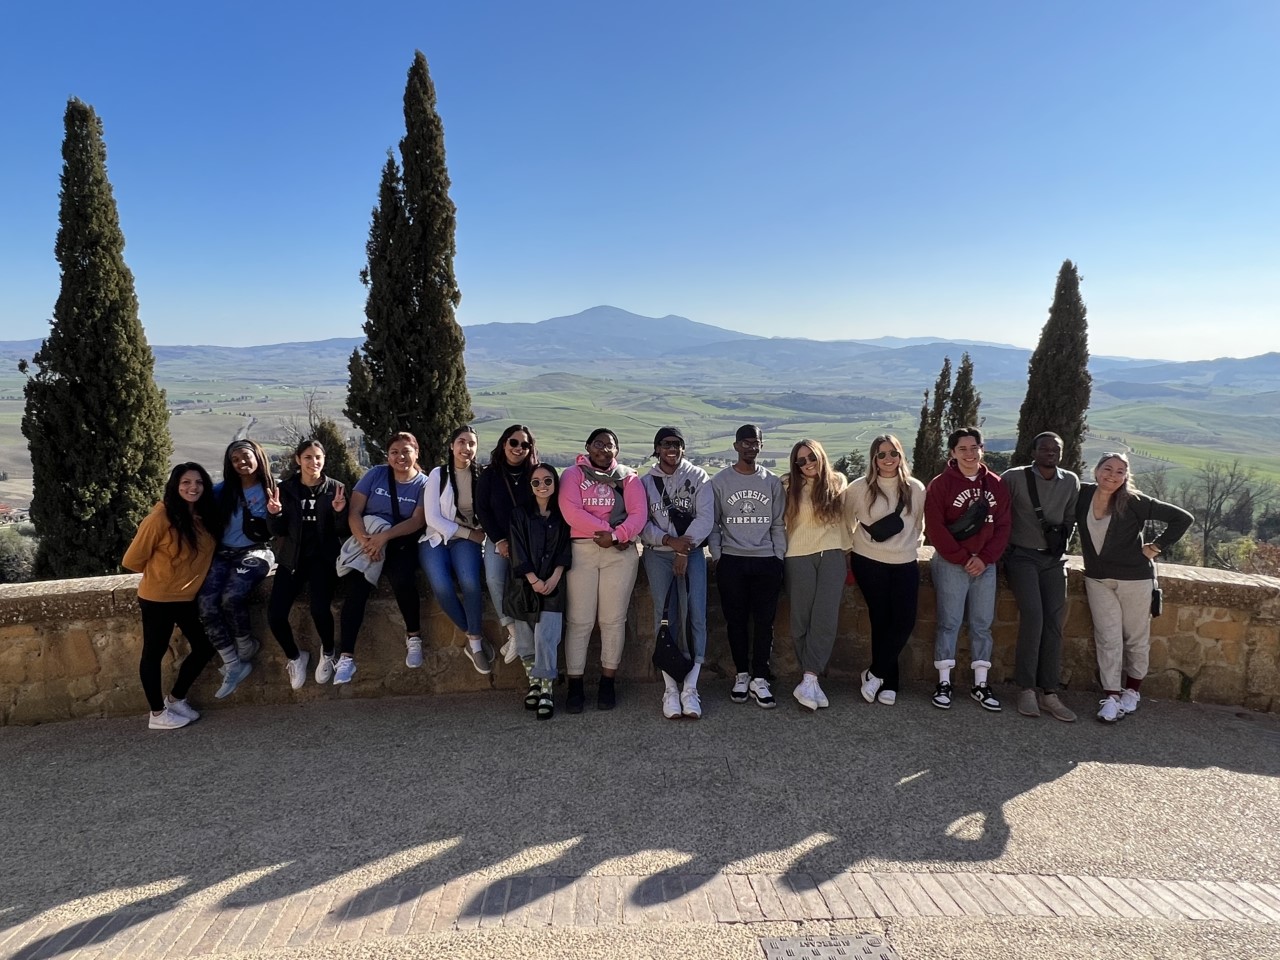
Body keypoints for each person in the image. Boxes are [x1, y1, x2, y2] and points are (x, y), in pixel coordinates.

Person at [1076, 452, 1192, 723]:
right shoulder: (1082, 495)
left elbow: (1183, 518)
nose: (1112, 475)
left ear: (1126, 476)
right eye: (1108, 469)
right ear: (1096, 471)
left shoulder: (1135, 502)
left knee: (1135, 638)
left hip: (1135, 579)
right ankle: (1111, 696)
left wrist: (1155, 547)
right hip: (1097, 579)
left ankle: (1133, 691)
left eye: (1120, 471)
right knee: (1107, 638)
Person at [122, 463, 221, 729]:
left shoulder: (203, 516)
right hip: (158, 598)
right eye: (186, 482)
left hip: (186, 598)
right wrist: (164, 574)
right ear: (175, 486)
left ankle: (176, 699)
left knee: (204, 647)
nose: (193, 487)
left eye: (198, 482)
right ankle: (156, 714)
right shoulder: (160, 518)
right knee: (153, 654)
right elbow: (132, 560)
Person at [558, 428, 647, 712]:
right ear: (587, 447)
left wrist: (620, 536)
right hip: (582, 550)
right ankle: (575, 686)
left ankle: (608, 682)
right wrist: (612, 533)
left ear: (616, 451)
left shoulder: (628, 477)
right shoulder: (572, 475)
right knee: (579, 621)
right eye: (598, 444)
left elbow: (639, 514)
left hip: (619, 555)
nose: (604, 449)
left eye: (610, 445)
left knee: (612, 620)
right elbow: (571, 512)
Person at [924, 427, 1011, 712]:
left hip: (985, 566)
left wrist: (985, 558)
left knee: (982, 625)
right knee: (949, 623)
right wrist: (963, 558)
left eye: (974, 448)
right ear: (952, 452)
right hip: (952, 564)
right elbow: (935, 528)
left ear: (981, 449)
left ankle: (981, 684)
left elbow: (1003, 526)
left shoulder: (996, 484)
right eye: (963, 449)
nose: (969, 454)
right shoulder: (941, 485)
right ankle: (944, 683)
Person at [335, 432, 428, 684]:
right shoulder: (375, 474)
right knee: (356, 590)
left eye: (406, 451)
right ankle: (346, 656)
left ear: (416, 453)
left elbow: (417, 520)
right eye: (394, 452)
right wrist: (366, 540)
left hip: (399, 542)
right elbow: (354, 511)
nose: (400, 457)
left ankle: (414, 637)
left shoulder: (423, 484)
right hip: (368, 539)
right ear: (387, 456)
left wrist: (384, 538)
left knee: (403, 580)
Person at [1003, 432, 1081, 722]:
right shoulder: (1014, 477)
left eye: (1056, 448)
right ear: (1033, 451)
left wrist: (1059, 543)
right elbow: (1000, 513)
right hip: (1021, 556)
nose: (1050, 452)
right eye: (1044, 448)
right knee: (1033, 617)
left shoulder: (1070, 481)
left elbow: (1070, 517)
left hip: (1052, 560)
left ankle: (1050, 692)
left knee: (1054, 622)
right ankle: (1026, 689)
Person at [709, 424, 786, 709]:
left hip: (766, 561)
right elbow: (714, 524)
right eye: (746, 443)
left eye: (755, 443)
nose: (751, 448)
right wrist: (717, 556)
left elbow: (778, 523)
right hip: (732, 560)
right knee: (736, 621)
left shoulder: (772, 482)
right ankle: (742, 675)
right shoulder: (719, 482)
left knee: (765, 623)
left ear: (761, 446)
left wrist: (779, 557)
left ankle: (761, 678)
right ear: (736, 446)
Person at [846, 434, 926, 707]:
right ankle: (889, 682)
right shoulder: (859, 488)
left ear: (901, 455)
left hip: (904, 562)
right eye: (881, 454)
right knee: (881, 620)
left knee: (903, 621)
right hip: (868, 561)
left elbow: (919, 525)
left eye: (893, 453)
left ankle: (875, 673)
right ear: (873, 459)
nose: (888, 459)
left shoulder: (915, 488)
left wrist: (905, 546)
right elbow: (846, 521)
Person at [640, 427, 714, 719]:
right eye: (666, 444)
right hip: (658, 555)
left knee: (696, 613)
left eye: (677, 444)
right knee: (665, 615)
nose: (672, 448)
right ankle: (670, 687)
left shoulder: (698, 477)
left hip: (693, 553)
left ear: (683, 448)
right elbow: (642, 522)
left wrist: (683, 550)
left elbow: (706, 517)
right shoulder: (645, 482)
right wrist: (669, 542)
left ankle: (691, 687)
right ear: (657, 448)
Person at [265, 438, 349, 689]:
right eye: (308, 458)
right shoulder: (286, 489)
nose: (314, 462)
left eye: (318, 457)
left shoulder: (337, 489)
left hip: (323, 560)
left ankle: (329, 651)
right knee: (275, 614)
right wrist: (275, 513)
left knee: (319, 609)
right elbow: (278, 531)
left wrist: (339, 512)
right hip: (292, 559)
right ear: (298, 460)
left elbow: (343, 530)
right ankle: (295, 656)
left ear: (324, 460)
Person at [197, 439, 277, 699]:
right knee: (207, 603)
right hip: (224, 553)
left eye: (246, 456)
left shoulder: (274, 490)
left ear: (258, 457)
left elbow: (286, 528)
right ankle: (232, 664)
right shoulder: (221, 492)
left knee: (232, 597)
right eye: (235, 459)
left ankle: (246, 646)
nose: (242, 463)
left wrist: (276, 514)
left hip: (257, 551)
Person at [782, 438, 850, 711]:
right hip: (798, 555)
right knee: (800, 619)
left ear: (821, 456)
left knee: (825, 618)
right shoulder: (786, 486)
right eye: (801, 460)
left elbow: (851, 518)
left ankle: (809, 678)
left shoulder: (839, 482)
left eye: (812, 457)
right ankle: (811, 680)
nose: (808, 463)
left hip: (833, 555)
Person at [420, 426, 492, 674]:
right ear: (452, 446)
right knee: (441, 586)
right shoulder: (438, 475)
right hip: (437, 538)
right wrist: (469, 533)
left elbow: (488, 511)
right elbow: (432, 518)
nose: (467, 448)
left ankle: (475, 645)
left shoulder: (481, 475)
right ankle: (472, 634)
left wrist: (477, 533)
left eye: (472, 443)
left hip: (468, 541)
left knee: (471, 583)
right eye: (461, 442)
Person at [507, 464, 572, 719]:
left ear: (555, 483)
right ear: (530, 486)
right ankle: (534, 683)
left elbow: (566, 549)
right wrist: (533, 579)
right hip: (524, 585)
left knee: (546, 637)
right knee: (525, 641)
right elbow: (517, 548)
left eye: (547, 480)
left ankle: (547, 689)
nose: (542, 486)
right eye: (536, 482)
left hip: (553, 586)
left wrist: (555, 576)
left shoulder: (563, 516)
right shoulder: (519, 514)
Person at [475, 424, 538, 672]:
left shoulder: (535, 473)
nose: (519, 448)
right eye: (514, 442)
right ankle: (513, 632)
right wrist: (500, 540)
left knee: (522, 587)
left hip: (527, 540)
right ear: (504, 444)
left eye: (525, 444)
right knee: (494, 579)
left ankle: (525, 646)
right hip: (497, 538)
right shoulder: (490, 475)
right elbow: (483, 510)